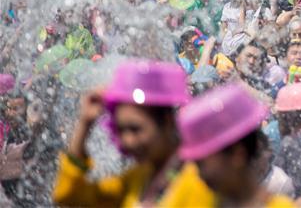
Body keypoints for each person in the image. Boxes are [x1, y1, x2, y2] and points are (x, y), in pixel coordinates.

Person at [53, 61, 213, 207]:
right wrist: (85, 124)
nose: (127, 141)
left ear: (167, 120)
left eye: (135, 129)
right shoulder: (137, 179)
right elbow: (69, 196)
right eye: (121, 130)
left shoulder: (202, 182)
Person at [176, 84, 294, 207]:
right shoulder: (195, 192)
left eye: (201, 164)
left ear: (238, 154)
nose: (198, 173)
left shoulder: (280, 195)